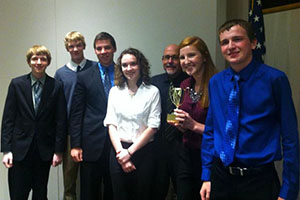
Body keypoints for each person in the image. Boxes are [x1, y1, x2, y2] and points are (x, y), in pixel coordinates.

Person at [200, 19, 299, 200]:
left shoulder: (275, 80)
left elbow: (290, 138)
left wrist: (289, 191)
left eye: (237, 39)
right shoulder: (216, 82)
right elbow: (211, 129)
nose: (230, 46)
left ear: (253, 43)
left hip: (259, 180)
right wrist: (206, 175)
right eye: (224, 42)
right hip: (221, 177)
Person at [1, 45, 67, 200]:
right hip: (19, 151)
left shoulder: (56, 86)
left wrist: (58, 151)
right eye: (34, 59)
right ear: (29, 62)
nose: (38, 62)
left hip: (44, 151)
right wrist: (6, 150)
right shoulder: (17, 84)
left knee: (40, 194)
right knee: (18, 194)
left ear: (48, 62)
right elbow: (8, 119)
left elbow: (61, 121)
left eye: (42, 59)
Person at [104, 48, 161, 200]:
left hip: (144, 152)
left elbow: (153, 126)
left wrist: (129, 153)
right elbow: (111, 124)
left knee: (142, 195)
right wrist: (121, 153)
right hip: (118, 151)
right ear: (120, 68)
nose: (129, 68)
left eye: (133, 64)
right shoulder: (114, 91)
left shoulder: (152, 91)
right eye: (124, 65)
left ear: (141, 65)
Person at [168, 36, 217, 200]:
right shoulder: (185, 85)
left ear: (204, 56)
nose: (186, 61)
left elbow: (224, 131)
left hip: (211, 157)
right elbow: (187, 123)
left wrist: (194, 125)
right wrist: (181, 124)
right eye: (182, 57)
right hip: (186, 155)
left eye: (191, 55)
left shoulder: (218, 84)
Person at [69, 32, 116, 200]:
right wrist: (75, 145)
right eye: (99, 48)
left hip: (118, 143)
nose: (103, 51)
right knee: (89, 191)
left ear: (114, 49)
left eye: (107, 47)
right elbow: (76, 113)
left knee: (114, 190)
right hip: (91, 143)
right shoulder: (83, 76)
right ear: (95, 51)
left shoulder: (124, 72)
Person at [55, 31, 96, 200]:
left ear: (84, 46)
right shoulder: (61, 74)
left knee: (94, 178)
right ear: (67, 49)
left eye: (78, 45)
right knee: (69, 180)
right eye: (71, 46)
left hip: (93, 130)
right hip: (70, 133)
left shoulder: (95, 68)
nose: (75, 49)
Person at [151, 44, 188, 200]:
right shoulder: (153, 83)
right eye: (167, 57)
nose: (170, 61)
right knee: (157, 189)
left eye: (174, 57)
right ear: (162, 60)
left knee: (183, 189)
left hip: (182, 146)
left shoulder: (189, 82)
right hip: (157, 146)